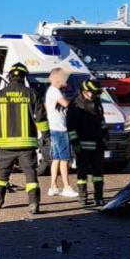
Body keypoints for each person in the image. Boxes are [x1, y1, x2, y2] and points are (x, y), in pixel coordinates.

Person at [0, 63, 50, 214]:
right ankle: (33, 204)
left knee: (2, 175)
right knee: (30, 175)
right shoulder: (31, 93)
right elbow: (41, 116)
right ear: (23, 77)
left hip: (5, 145)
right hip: (26, 145)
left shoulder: (0, 94)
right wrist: (45, 135)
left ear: (10, 77)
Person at [67, 79, 108, 206]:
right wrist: (75, 142)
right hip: (82, 144)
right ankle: (83, 197)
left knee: (98, 173)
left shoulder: (97, 101)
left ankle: (98, 197)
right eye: (90, 92)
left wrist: (105, 135)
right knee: (82, 173)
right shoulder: (75, 104)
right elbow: (71, 126)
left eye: (94, 93)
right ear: (84, 91)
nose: (92, 95)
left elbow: (101, 120)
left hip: (97, 143)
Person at [45, 68, 78, 197]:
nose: (67, 81)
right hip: (60, 129)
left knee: (57, 159)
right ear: (60, 79)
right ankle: (67, 187)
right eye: (65, 79)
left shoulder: (51, 91)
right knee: (64, 159)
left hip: (55, 128)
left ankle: (53, 186)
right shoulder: (55, 92)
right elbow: (66, 104)